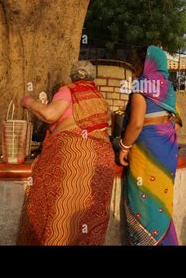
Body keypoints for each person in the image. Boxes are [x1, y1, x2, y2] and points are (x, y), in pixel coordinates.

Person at [17, 61, 115, 245]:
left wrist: (28, 101)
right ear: (93, 79)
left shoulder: (69, 90)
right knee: (88, 217)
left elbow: (50, 114)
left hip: (74, 155)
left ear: (72, 77)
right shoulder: (99, 98)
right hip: (102, 160)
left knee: (60, 215)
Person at [119, 45, 182, 245]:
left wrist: (124, 147)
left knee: (143, 203)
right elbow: (177, 122)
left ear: (145, 63)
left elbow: (136, 123)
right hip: (167, 147)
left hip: (146, 148)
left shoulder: (141, 86)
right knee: (161, 202)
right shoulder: (168, 87)